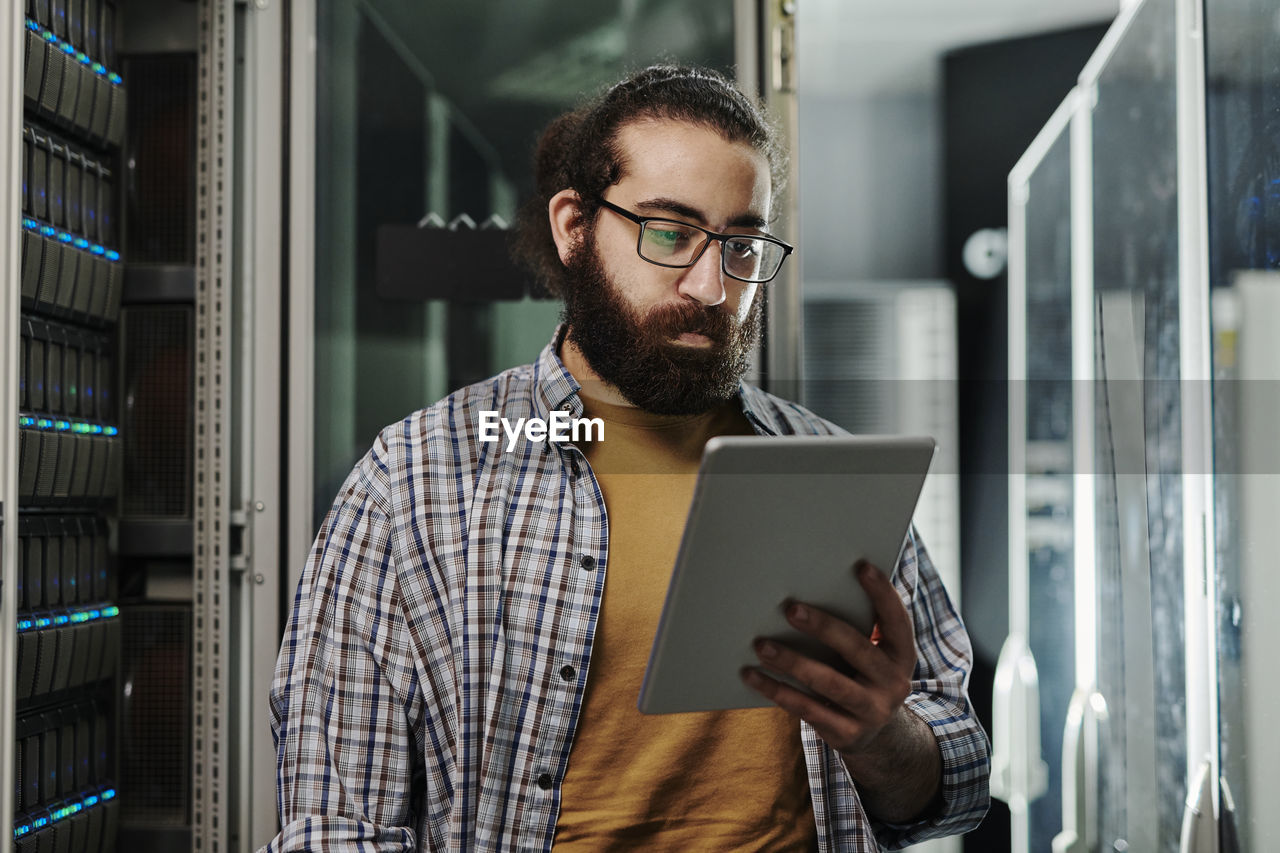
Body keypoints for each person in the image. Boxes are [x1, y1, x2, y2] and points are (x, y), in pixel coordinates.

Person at [264, 65, 989, 852]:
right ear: (575, 225)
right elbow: (336, 828)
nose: (713, 286)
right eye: (670, 232)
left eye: (741, 244)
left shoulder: (827, 470)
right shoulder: (413, 481)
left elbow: (959, 786)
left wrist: (884, 737)